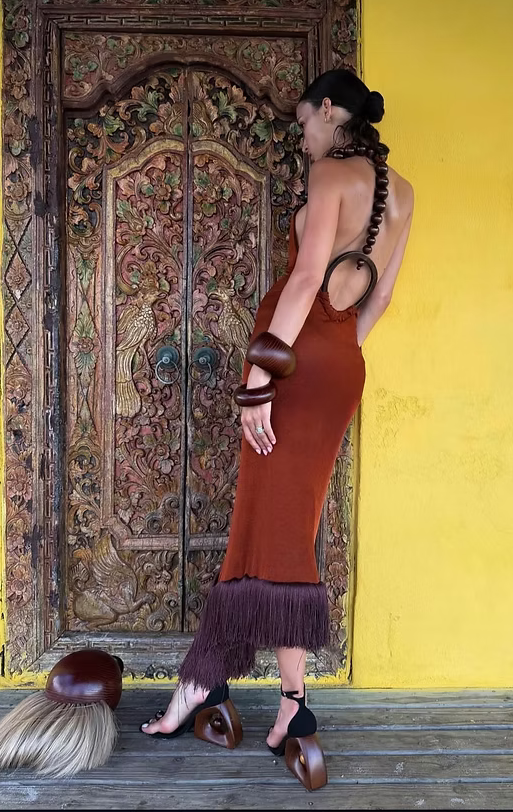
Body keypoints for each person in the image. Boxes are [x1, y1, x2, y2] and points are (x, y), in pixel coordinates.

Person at [140, 68, 414, 790]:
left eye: (303, 123)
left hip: (288, 365)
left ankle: (283, 702)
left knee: (279, 529)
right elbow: (380, 297)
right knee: (274, 521)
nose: (302, 137)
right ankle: (213, 682)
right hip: (339, 364)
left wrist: (261, 380)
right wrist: (334, 350)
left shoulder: (330, 175)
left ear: (329, 110)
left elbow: (303, 280)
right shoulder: (403, 191)